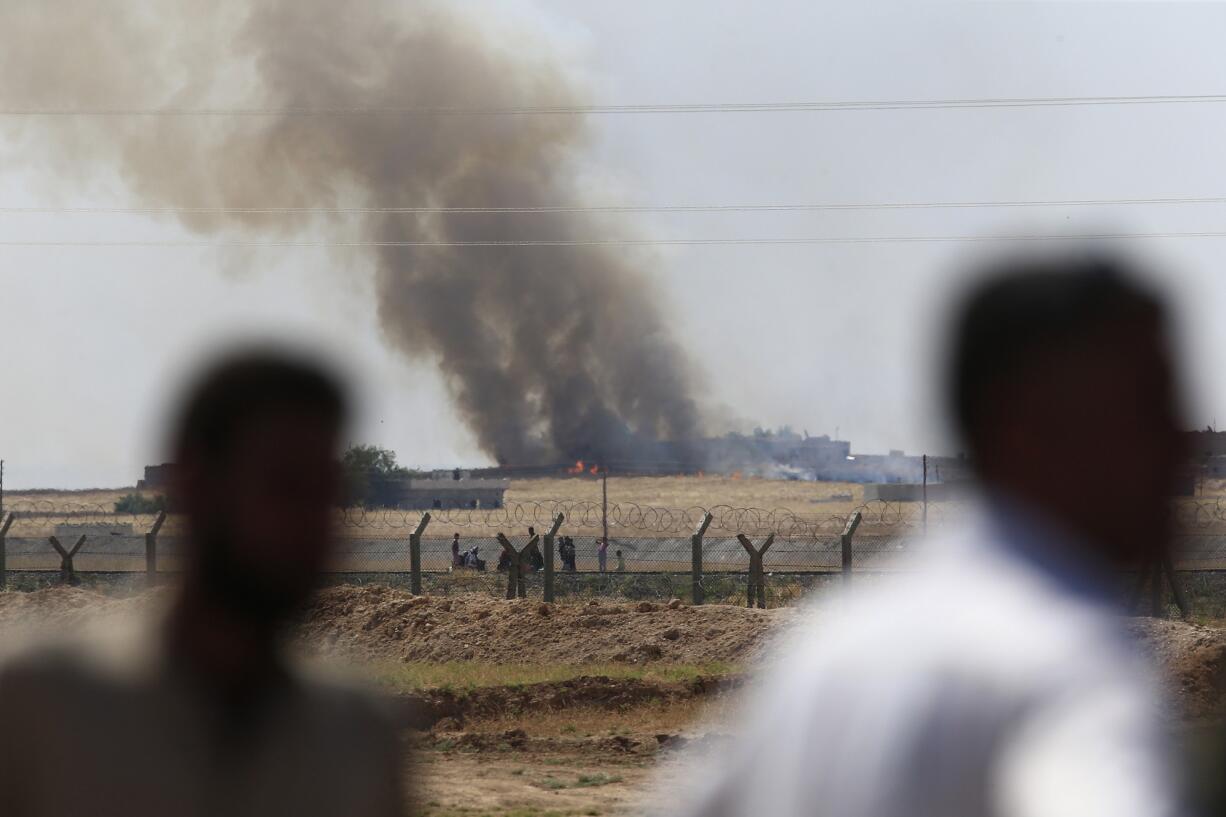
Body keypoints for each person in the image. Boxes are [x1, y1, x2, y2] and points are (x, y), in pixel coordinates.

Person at [661, 254, 1184, 817]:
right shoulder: (1065, 664)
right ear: (1028, 430)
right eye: (1151, 409)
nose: (1182, 447)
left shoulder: (821, 654)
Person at [0, 350, 408, 816]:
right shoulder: (45, 707)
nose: (313, 525)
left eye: (327, 495)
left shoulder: (357, 737)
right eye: (285, 488)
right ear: (195, 484)